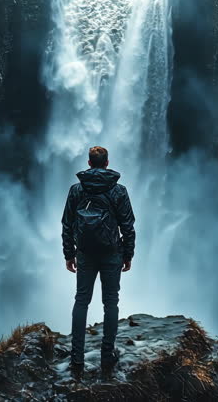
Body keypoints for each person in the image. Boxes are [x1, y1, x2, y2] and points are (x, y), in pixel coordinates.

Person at [61, 146, 136, 374]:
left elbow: (67, 224)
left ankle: (77, 359)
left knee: (81, 301)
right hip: (112, 252)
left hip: (84, 253)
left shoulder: (76, 190)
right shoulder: (118, 191)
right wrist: (128, 255)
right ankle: (106, 356)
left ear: (89, 162)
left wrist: (69, 254)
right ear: (106, 163)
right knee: (110, 302)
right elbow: (128, 226)